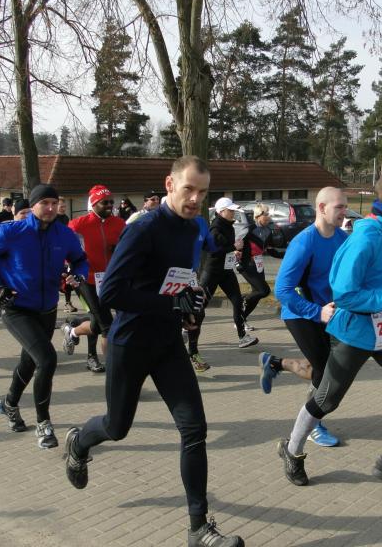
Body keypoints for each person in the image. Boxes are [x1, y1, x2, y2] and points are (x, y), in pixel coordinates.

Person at [62, 156, 244, 547]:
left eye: (202, 192)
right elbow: (112, 293)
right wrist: (170, 304)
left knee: (194, 430)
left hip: (167, 343)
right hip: (130, 343)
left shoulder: (193, 227)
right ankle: (79, 443)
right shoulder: (143, 228)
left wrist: (188, 305)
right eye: (189, 189)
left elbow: (177, 281)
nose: (195, 199)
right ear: (169, 184)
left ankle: (198, 528)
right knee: (117, 427)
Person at [276, 171, 382, 493]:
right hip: (353, 332)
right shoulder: (366, 237)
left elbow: (380, 275)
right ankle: (291, 449)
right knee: (326, 400)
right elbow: (345, 294)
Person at [0, 184, 88, 449]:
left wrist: (78, 274)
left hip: (47, 309)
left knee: (29, 362)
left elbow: (80, 259)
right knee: (47, 359)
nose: (50, 208)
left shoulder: (64, 234)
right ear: (33, 205)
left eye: (54, 203)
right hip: (16, 308)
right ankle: (43, 423)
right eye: (44, 203)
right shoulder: (11, 232)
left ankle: (9, 403)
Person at [259, 187, 348, 448]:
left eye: (345, 206)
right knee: (326, 370)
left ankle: (276, 363)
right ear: (321, 208)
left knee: (325, 368)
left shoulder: (342, 238)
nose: (344, 212)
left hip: (328, 312)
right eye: (339, 207)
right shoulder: (304, 242)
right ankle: (312, 425)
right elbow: (282, 290)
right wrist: (317, 312)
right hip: (300, 312)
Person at [62, 185, 125, 373]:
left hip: (110, 279)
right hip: (85, 279)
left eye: (111, 202)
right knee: (107, 326)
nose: (110, 205)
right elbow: (65, 250)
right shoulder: (78, 224)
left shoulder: (119, 224)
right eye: (105, 202)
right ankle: (114, 370)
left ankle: (73, 330)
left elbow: (129, 246)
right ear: (94, 204)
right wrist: (68, 269)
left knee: (98, 321)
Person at [187, 197, 257, 363]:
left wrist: (234, 252)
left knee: (237, 300)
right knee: (199, 307)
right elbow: (214, 251)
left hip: (226, 271)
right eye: (230, 210)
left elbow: (225, 249)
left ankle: (242, 336)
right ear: (221, 211)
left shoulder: (228, 225)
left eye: (233, 210)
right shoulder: (215, 227)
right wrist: (234, 247)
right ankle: (188, 332)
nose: (233, 213)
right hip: (212, 272)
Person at [0, 199, 31, 345]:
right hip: (6, 272)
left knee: (16, 303)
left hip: (27, 274)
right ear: (15, 214)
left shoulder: (35, 230)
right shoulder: (6, 230)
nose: (26, 216)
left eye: (29, 213)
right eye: (23, 213)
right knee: (8, 300)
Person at [236, 203, 284, 328]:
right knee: (264, 291)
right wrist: (236, 259)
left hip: (258, 265)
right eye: (266, 214)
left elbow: (270, 250)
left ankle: (241, 321)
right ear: (258, 216)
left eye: (269, 214)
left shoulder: (268, 231)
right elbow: (235, 247)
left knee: (256, 294)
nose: (268, 216)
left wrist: (287, 254)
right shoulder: (249, 229)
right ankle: (242, 300)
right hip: (246, 265)